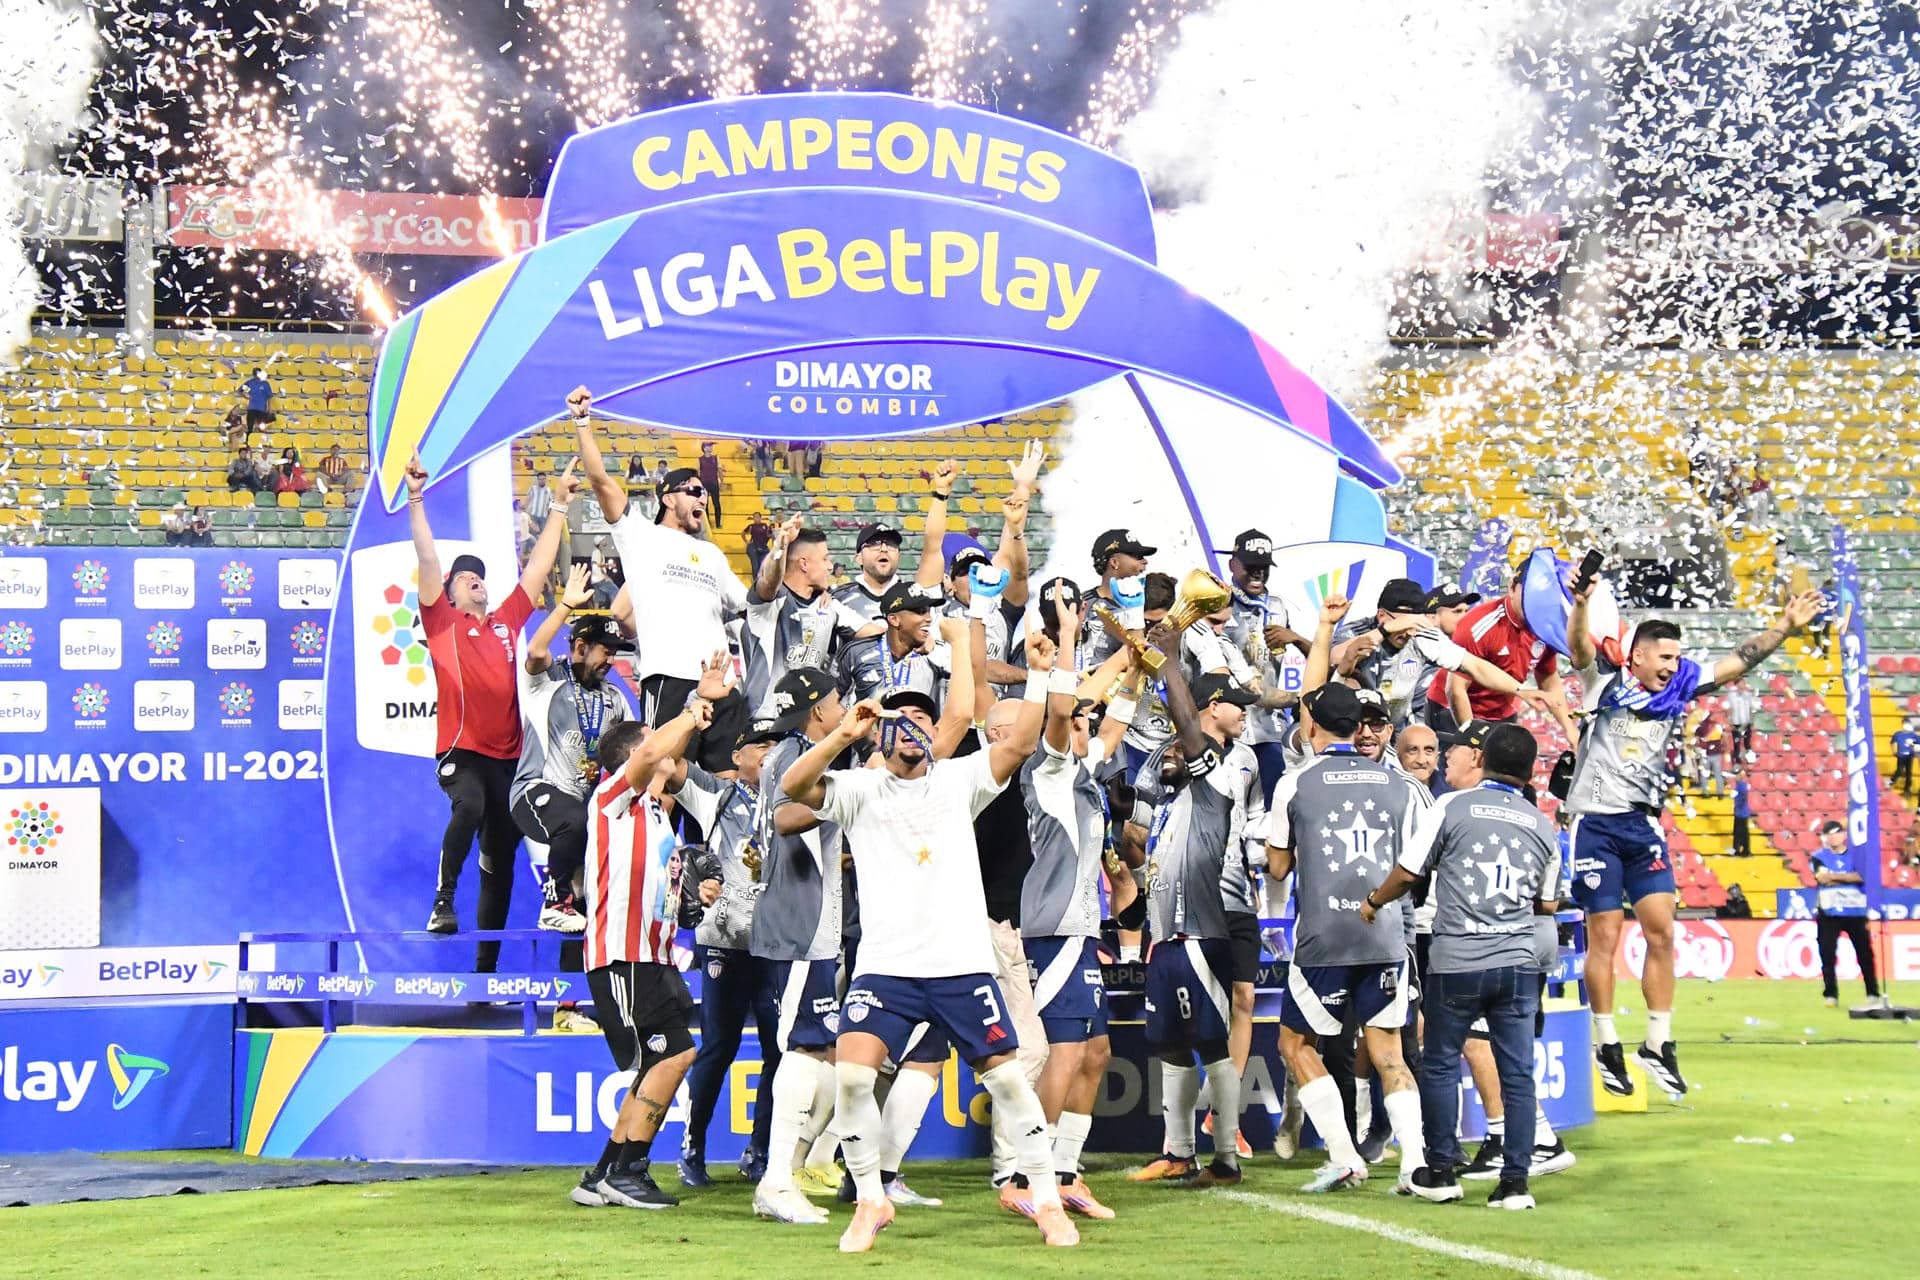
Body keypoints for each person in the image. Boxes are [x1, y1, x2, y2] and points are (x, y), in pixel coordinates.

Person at [777, 625, 1083, 1252]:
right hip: (886, 966)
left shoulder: (957, 781)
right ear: (880, 732)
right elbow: (792, 791)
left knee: (1005, 1079)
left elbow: (1022, 740)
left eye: (922, 714)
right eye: (898, 716)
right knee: (857, 1078)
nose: (911, 724)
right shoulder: (859, 789)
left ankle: (1048, 1199)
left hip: (960, 966)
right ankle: (869, 1199)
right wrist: (843, 733)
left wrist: (1041, 672)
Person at [1565, 579, 1822, 1097]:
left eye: (1677, 657)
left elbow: (1738, 661)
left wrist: (1784, 627)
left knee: (1663, 932)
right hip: (1595, 823)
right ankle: (1606, 1039)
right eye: (1663, 656)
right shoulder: (1604, 685)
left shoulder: (1680, 684)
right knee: (1606, 935)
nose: (1671, 665)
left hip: (1642, 824)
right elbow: (1578, 646)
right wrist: (1582, 602)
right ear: (1635, 656)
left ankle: (1657, 1042)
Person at [1368, 723, 1564, 1210]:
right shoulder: (1542, 825)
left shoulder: (1451, 806)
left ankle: (1440, 1170)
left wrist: (1374, 900)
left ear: (1484, 761)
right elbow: (1547, 904)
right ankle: (1515, 1182)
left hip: (1457, 959)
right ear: (1529, 770)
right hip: (1517, 964)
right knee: (1518, 1073)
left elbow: (1410, 870)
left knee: (1438, 1063)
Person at [1264, 681, 1430, 1195]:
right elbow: (1416, 864)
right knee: (1389, 1053)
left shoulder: (1295, 783)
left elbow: (1277, 866)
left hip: (1323, 937)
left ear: (1310, 722)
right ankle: (1415, 1163)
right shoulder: (1398, 784)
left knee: (1295, 1043)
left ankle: (1342, 1155)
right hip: (1384, 935)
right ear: (1358, 726)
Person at [410, 452, 575, 966]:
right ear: (449, 594)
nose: (473, 579)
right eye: (465, 578)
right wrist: (416, 498)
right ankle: (442, 900)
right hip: (462, 752)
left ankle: (486, 974)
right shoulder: (442, 624)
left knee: (500, 860)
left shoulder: (504, 621)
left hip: (509, 760)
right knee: (470, 807)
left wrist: (562, 507)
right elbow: (430, 561)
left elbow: (540, 567)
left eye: (479, 576)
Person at [567, 693, 726, 1211]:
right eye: (657, 750)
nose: (670, 756)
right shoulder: (613, 799)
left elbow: (668, 903)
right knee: (674, 1053)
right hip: (622, 957)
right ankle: (631, 1170)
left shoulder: (658, 819)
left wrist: (692, 899)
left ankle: (604, 1174)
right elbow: (647, 753)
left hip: (652, 958)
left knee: (651, 1064)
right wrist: (693, 706)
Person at [1124, 663, 1264, 1190]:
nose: (1173, 755)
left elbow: (1190, 728)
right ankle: (1179, 1152)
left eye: (1182, 751)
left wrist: (1170, 657)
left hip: (1202, 936)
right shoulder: (1170, 802)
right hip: (1167, 939)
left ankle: (1226, 1157)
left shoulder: (1215, 789)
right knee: (1171, 1046)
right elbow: (1139, 844)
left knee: (1213, 1045)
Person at [1020, 592, 1132, 1221]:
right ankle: (1029, 1177)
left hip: (1081, 933)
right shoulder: (1050, 770)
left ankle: (1065, 1170)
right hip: (1054, 931)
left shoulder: (1085, 778)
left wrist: (1140, 656)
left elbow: (1116, 718)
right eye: (1081, 724)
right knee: (1064, 1053)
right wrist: (1068, 634)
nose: (1091, 728)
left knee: (1095, 1054)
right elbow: (1063, 709)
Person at [572, 387, 750, 772]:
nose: (703, 498)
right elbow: (601, 481)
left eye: (705, 493)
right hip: (669, 678)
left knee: (727, 785)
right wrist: (583, 422)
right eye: (694, 491)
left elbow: (751, 604)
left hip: (722, 683)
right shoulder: (641, 535)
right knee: (664, 782)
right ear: (668, 498)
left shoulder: (713, 554)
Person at [748, 667, 856, 1225]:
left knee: (819, 1051)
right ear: (818, 712)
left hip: (812, 927)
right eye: (837, 701)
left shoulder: (793, 753)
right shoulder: (793, 756)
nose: (843, 708)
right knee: (801, 1050)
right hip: (797, 929)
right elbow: (788, 817)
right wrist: (844, 802)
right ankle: (775, 1181)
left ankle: (792, 1171)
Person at [675, 718, 788, 1187]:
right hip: (724, 941)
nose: (768, 754)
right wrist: (693, 712)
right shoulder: (715, 795)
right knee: (718, 1048)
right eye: (758, 746)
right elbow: (670, 762)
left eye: (774, 746)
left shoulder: (796, 794)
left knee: (779, 1053)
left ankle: (760, 1153)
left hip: (778, 944)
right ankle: (692, 1149)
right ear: (737, 757)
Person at [510, 564, 633, 937]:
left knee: (581, 899)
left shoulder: (613, 698)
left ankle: (568, 994)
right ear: (580, 647)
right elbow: (535, 649)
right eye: (605, 652)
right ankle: (552, 903)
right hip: (534, 792)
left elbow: (634, 744)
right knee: (575, 821)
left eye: (615, 653)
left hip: (581, 809)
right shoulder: (548, 680)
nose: (611, 661)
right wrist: (565, 606)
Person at [1425, 567, 1581, 744]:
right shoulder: (1479, 624)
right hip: (1451, 709)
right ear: (1512, 587)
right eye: (1528, 592)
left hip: (1502, 711)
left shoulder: (1543, 627)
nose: (1533, 600)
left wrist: (1569, 729)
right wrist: (1471, 741)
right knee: (1458, 768)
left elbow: (1547, 676)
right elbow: (1455, 689)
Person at [742, 521, 881, 718]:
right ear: (804, 564)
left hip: (807, 724)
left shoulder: (828, 605)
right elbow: (768, 581)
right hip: (764, 723)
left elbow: (875, 631)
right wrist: (780, 545)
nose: (830, 566)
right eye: (825, 559)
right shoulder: (769, 602)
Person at [1221, 528, 1311, 800]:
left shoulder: (1279, 606)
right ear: (1232, 564)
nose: (1258, 573)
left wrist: (1293, 638)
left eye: (1264, 567)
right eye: (1251, 566)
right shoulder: (1217, 603)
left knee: (1273, 805)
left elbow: (1318, 656)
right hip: (1228, 727)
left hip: (1271, 727)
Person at [836, 581, 952, 708]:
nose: (929, 618)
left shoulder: (937, 654)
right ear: (894, 619)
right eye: (920, 611)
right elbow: (836, 703)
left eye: (929, 611)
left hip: (917, 727)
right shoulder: (856, 652)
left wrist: (936, 653)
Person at [1809, 819, 1884, 1009]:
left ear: (1844, 835)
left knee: (1865, 953)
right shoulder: (1818, 856)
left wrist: (1835, 876)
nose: (1833, 837)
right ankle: (1831, 994)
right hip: (1829, 911)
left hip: (1855, 911)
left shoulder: (1857, 856)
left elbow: (1863, 876)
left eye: (1837, 833)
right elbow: (1822, 879)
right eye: (1829, 834)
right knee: (1827, 953)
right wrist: (1848, 878)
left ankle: (1873, 993)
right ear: (1825, 838)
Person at [1077, 528, 1155, 675]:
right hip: (1097, 691)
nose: (1144, 561)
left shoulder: (1152, 601)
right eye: (1137, 556)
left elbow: (1151, 663)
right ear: (1114, 562)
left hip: (1141, 691)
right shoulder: (1082, 604)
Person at [834, 523, 905, 620]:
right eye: (875, 544)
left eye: (891, 545)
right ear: (859, 558)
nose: (884, 549)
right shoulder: (836, 600)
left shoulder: (917, 598)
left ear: (899, 556)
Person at [1396, 723, 1443, 795]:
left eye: (1428, 751)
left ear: (1437, 758)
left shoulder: (1452, 791)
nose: (1421, 761)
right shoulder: (1386, 790)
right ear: (1398, 756)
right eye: (1413, 751)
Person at [1726, 678, 1756, 762]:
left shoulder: (1748, 695)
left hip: (1746, 722)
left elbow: (1750, 708)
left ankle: (1749, 761)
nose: (1744, 684)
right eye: (1742, 682)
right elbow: (1729, 709)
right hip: (1736, 723)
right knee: (1737, 743)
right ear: (1737, 684)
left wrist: (1751, 720)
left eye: (1744, 682)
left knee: (1747, 743)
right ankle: (1737, 760)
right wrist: (1730, 722)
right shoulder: (1731, 695)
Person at [240, 367, 274, 433]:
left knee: (261, 427)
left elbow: (269, 397)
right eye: (255, 374)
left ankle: (260, 441)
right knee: (250, 428)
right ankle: (249, 442)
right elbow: (240, 390)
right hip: (251, 408)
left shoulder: (265, 383)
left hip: (261, 409)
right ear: (253, 374)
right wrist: (246, 396)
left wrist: (270, 408)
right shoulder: (250, 383)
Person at [743, 511, 774, 580]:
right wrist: (746, 541)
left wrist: (772, 534)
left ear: (760, 518)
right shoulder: (751, 526)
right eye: (754, 517)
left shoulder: (765, 526)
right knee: (755, 566)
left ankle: (761, 582)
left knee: (763, 566)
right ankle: (755, 582)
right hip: (753, 547)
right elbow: (743, 533)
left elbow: (769, 535)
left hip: (763, 548)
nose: (756, 519)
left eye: (757, 517)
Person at [699, 441, 724, 523]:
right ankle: (707, 522)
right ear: (704, 448)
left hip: (714, 483)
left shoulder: (716, 458)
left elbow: (720, 470)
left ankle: (718, 522)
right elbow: (698, 472)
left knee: (716, 504)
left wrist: (722, 482)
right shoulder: (699, 460)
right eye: (709, 446)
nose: (711, 447)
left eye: (711, 446)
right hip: (704, 484)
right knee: (705, 504)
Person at [1891, 719, 1918, 796]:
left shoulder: (1913, 735)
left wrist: (1915, 749)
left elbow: (1916, 744)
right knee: (1900, 770)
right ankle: (1891, 782)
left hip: (1910, 756)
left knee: (1908, 773)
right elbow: (1893, 742)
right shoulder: (1898, 734)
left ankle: (1907, 790)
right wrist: (1895, 751)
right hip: (1901, 755)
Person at [1731, 773, 1753, 856]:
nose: (1735, 777)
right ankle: (1738, 850)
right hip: (1739, 813)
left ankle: (1745, 851)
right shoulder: (1739, 785)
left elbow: (1744, 796)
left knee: (1742, 833)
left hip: (1741, 813)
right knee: (1738, 833)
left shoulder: (1741, 785)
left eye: (1736, 775)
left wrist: (1740, 805)